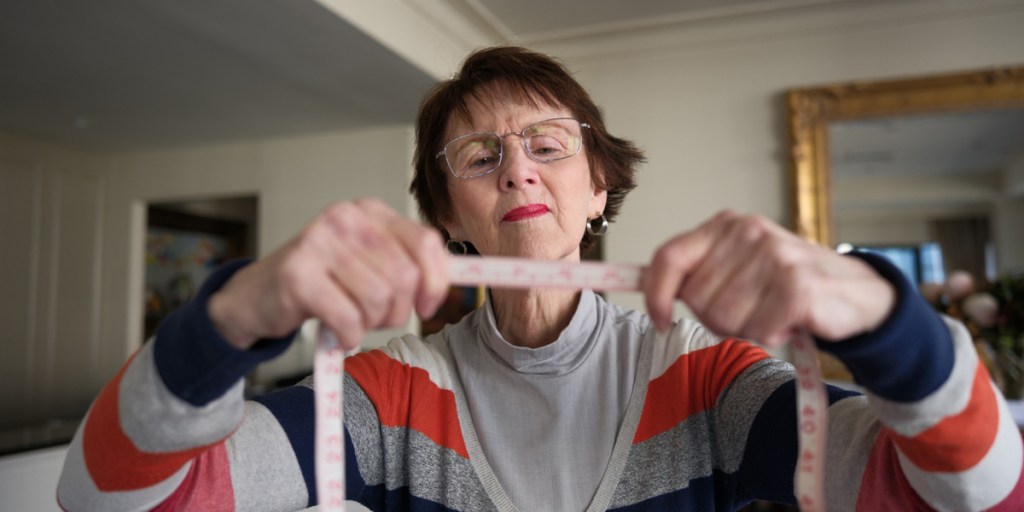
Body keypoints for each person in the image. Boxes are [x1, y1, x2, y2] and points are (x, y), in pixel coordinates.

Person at [57, 46, 1022, 512]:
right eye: (478, 156)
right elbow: (103, 499)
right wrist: (230, 315)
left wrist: (882, 317)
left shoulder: (707, 379)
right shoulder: (387, 396)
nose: (516, 169)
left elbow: (983, 497)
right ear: (447, 215)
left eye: (548, 146)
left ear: (598, 183)